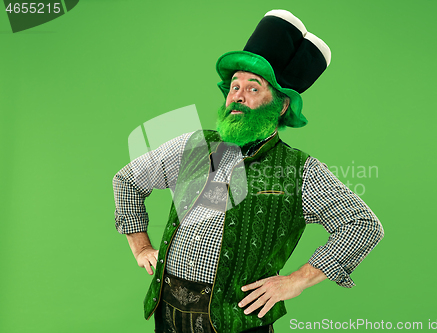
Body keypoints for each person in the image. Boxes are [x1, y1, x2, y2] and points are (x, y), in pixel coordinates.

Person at [113, 10, 384, 333]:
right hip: (168, 315)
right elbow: (127, 180)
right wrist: (141, 247)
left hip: (238, 324)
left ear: (281, 105)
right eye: (234, 86)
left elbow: (362, 225)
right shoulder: (195, 146)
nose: (237, 96)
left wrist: (297, 281)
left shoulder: (300, 171)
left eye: (253, 89)